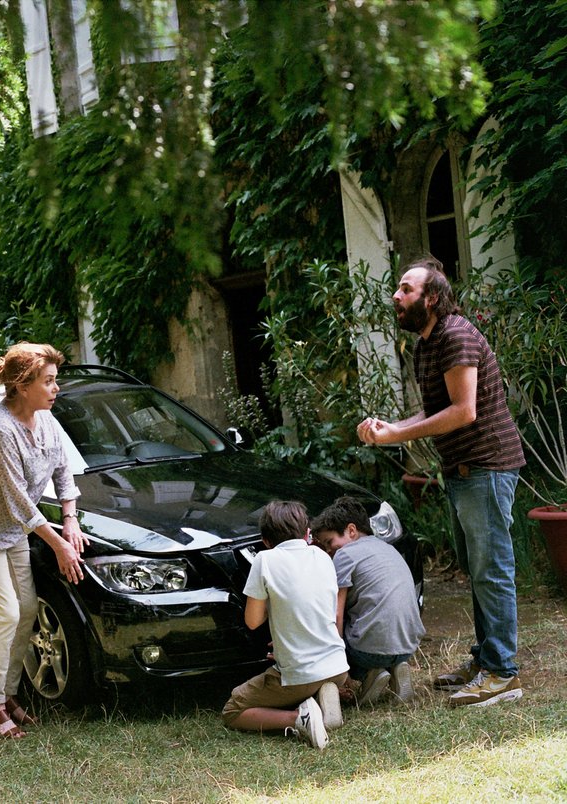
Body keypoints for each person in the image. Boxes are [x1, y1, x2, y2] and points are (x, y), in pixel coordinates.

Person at [357, 256, 525, 708]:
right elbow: (436, 414)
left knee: (492, 571)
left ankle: (502, 673)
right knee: (478, 570)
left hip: (486, 468)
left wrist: (398, 433)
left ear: (431, 298)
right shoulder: (427, 344)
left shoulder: (455, 334)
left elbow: (463, 411)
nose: (396, 295)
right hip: (462, 471)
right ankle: (486, 658)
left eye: (406, 289)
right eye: (398, 288)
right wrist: (388, 429)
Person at [0, 343, 88, 740]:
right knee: (6, 614)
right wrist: (58, 544)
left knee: (26, 610)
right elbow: (19, 501)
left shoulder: (46, 419)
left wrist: (71, 520)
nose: (55, 388)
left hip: (15, 529)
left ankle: (8, 694)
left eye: (55, 380)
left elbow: (64, 471)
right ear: (22, 385)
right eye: (48, 381)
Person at [222, 501, 348, 750]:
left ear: (265, 540)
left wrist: (273, 602)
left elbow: (253, 620)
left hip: (301, 675)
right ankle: (323, 693)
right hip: (338, 666)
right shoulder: (323, 557)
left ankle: (299, 718)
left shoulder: (265, 560)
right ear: (307, 533)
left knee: (233, 709)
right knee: (311, 679)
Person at [310, 496, 425, 705]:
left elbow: (336, 612)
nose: (328, 550)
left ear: (351, 531)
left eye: (329, 542)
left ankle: (368, 674)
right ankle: (396, 667)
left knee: (328, 626)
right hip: (408, 646)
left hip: (368, 652)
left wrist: (335, 661)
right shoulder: (388, 549)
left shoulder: (344, 555)